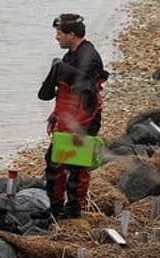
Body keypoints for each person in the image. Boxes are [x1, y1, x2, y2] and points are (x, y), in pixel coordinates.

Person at [38, 13, 108, 219]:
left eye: (59, 33)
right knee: (53, 161)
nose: (56, 36)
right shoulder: (71, 54)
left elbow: (90, 99)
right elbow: (66, 92)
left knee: (76, 165)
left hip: (83, 118)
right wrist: (54, 116)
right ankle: (55, 206)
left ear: (71, 34)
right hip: (68, 116)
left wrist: (81, 129)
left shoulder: (89, 58)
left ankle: (73, 209)